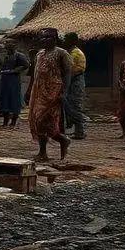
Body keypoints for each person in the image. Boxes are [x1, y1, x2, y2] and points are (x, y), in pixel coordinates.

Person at [27, 28, 72, 161]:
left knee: (47, 120)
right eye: (43, 37)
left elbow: (68, 73)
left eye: (48, 37)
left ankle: (62, 139)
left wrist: (64, 92)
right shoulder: (39, 54)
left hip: (53, 91)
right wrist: (29, 90)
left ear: (55, 38)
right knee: (37, 120)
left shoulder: (61, 53)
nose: (45, 40)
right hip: (39, 90)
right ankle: (43, 152)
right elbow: (34, 73)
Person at [0, 41, 30, 128]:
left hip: (14, 80)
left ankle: (13, 122)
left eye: (10, 46)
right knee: (4, 100)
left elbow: (26, 65)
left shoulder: (19, 56)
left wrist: (15, 70)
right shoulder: (4, 56)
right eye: (7, 46)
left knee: (14, 99)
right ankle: (5, 121)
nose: (8, 48)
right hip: (4, 79)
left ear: (14, 46)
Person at [63, 32, 88, 140]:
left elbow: (74, 71)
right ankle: (77, 130)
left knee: (74, 106)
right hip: (71, 81)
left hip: (75, 82)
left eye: (66, 39)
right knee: (69, 105)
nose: (64, 41)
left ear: (72, 41)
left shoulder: (76, 53)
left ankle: (80, 131)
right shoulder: (70, 52)